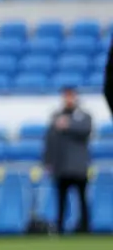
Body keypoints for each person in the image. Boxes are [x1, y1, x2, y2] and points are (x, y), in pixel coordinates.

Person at [43, 87, 92, 234]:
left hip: (78, 167)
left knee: (82, 199)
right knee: (61, 200)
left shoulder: (84, 116)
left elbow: (86, 130)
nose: (68, 99)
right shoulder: (56, 117)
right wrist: (48, 162)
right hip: (61, 166)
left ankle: (85, 228)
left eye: (71, 96)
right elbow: (49, 140)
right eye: (66, 96)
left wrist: (68, 125)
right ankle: (60, 228)